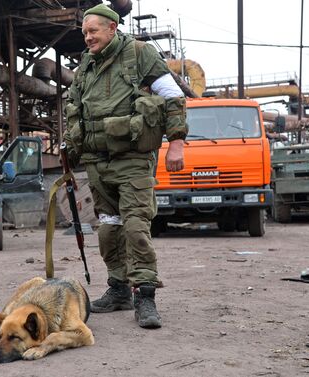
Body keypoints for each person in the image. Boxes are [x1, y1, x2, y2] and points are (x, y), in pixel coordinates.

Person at [63, 4, 187, 329]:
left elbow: (173, 96)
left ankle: (145, 295)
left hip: (132, 159)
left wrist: (176, 142)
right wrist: (71, 146)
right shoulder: (86, 67)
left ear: (112, 28)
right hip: (97, 162)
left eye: (93, 31)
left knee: (135, 227)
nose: (88, 37)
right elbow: (73, 106)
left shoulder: (140, 54)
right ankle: (118, 289)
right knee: (108, 229)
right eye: (84, 32)